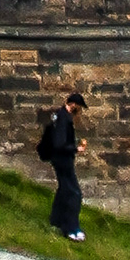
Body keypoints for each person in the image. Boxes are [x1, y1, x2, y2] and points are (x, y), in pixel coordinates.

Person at [37, 91, 82, 240]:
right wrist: (76, 149)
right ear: (73, 105)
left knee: (64, 189)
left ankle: (55, 220)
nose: (79, 111)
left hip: (57, 158)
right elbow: (59, 144)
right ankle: (71, 228)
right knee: (74, 193)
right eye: (79, 107)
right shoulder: (64, 119)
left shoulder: (58, 115)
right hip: (63, 160)